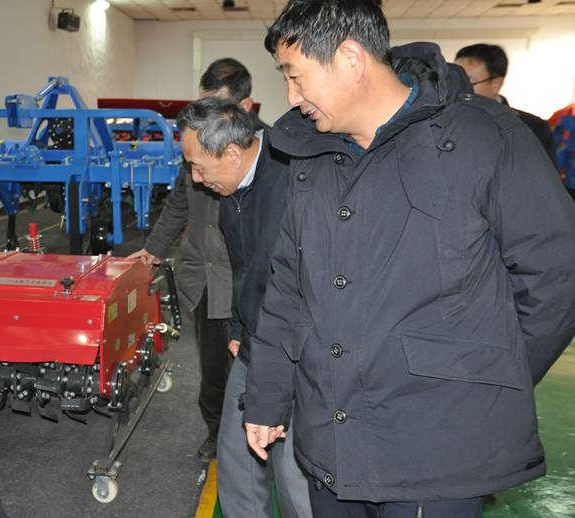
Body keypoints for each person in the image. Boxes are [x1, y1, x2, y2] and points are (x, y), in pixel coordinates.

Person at [243, 1, 575, 517]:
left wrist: (481, 376)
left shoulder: (483, 137)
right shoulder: (313, 156)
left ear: (350, 58)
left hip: (435, 454)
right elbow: (288, 287)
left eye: (295, 76)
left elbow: (557, 276)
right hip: (331, 443)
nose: (291, 97)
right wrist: (266, 395)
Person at [176, 98, 311, 517]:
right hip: (253, 342)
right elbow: (243, 267)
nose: (196, 179)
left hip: (294, 350)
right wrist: (238, 326)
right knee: (236, 461)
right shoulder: (232, 190)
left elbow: (294, 284)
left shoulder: (293, 182)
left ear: (232, 154)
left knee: (294, 476)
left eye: (199, 167)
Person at [128, 58, 261, 463]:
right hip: (202, 281)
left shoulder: (266, 155)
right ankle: (217, 433)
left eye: (217, 108)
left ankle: (258, 436)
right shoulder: (198, 150)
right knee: (213, 369)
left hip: (243, 281)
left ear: (245, 107)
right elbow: (178, 205)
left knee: (254, 366)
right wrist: (152, 250)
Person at [455, 43, 556, 164]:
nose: (457, 88)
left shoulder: (532, 128)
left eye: (467, 81)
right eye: (453, 80)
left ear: (496, 84)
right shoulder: (443, 123)